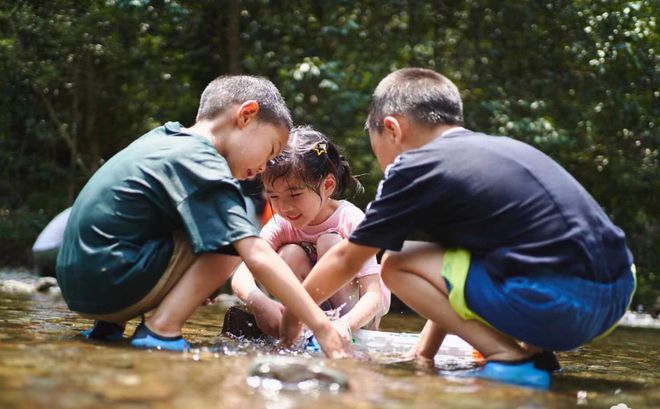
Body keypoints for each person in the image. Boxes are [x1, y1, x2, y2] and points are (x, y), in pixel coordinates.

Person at [279, 68, 636, 388]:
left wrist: (294, 315)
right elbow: (452, 279)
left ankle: (507, 356)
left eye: (376, 149)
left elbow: (347, 258)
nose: (381, 162)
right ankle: (537, 357)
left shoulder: (414, 166)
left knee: (396, 263)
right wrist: (424, 355)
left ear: (392, 129)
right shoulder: (496, 152)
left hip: (554, 301)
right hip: (613, 295)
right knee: (491, 256)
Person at [55, 75, 348, 357]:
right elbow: (255, 254)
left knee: (210, 225)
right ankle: (162, 330)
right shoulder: (201, 161)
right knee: (235, 236)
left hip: (78, 282)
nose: (262, 168)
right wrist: (322, 329)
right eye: (269, 150)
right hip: (111, 280)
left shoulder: (164, 138)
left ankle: (108, 329)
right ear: (246, 115)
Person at [231, 126, 390, 339]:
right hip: (308, 314)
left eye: (295, 194)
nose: (285, 208)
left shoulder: (349, 219)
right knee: (288, 254)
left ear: (328, 186)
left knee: (330, 243)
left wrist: (346, 326)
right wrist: (260, 303)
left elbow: (373, 296)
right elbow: (242, 273)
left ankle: (337, 325)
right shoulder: (281, 223)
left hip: (354, 316)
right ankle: (304, 325)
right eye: (274, 197)